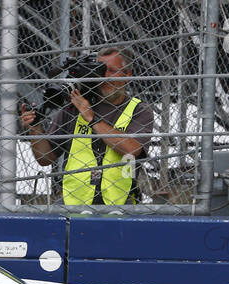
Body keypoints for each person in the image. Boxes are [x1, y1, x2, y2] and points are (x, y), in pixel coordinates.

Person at [20, 45, 154, 206]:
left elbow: (132, 149)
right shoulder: (74, 107)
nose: (104, 77)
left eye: (112, 70)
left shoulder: (138, 110)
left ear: (128, 75)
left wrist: (92, 118)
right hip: (73, 204)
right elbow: (44, 158)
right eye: (100, 70)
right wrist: (35, 127)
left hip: (119, 204)